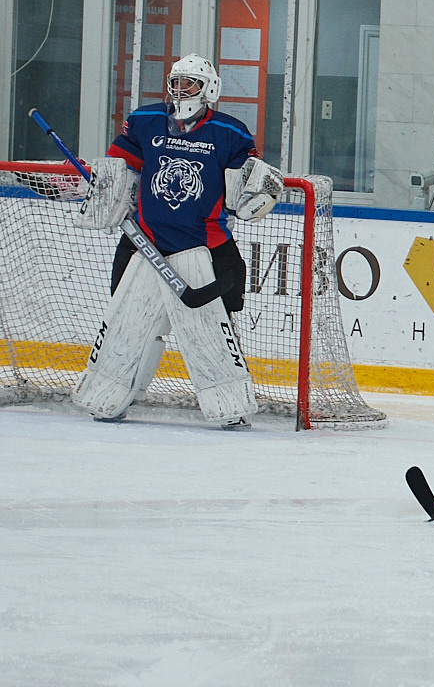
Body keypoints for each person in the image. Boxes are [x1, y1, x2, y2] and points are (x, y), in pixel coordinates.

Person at [70, 53, 286, 427]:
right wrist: (100, 190)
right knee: (128, 321)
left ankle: (229, 407)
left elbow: (242, 191)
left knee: (211, 327)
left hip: (203, 247)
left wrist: (260, 193)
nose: (181, 89)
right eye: (177, 81)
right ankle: (110, 398)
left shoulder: (230, 132)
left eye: (191, 83)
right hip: (144, 243)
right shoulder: (144, 120)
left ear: (209, 89)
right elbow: (121, 173)